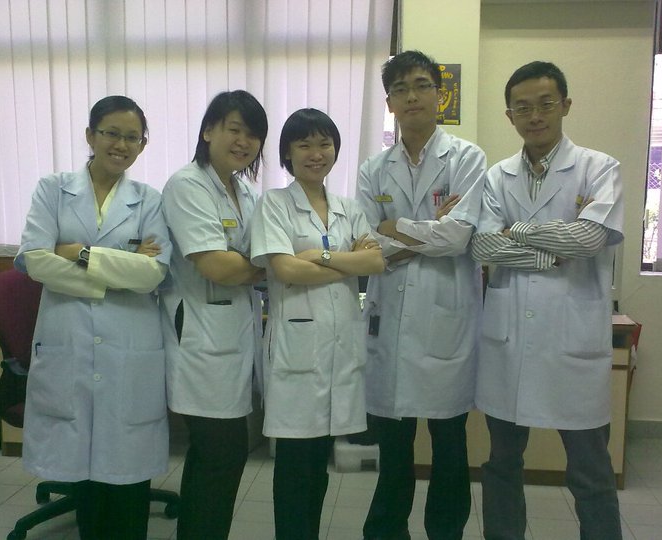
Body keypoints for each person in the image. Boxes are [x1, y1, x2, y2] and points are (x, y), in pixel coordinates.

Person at [472, 61, 624, 540]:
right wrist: (550, 253)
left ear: (565, 106)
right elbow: (482, 246)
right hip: (509, 344)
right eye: (522, 108)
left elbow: (590, 239)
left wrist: (517, 229)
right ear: (509, 115)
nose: (534, 116)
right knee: (501, 465)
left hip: (571, 344)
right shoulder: (497, 176)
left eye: (545, 104)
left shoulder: (599, 168)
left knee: (590, 472)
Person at [15, 95, 172, 540]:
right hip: (70, 339)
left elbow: (153, 273)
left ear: (142, 145)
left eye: (132, 137)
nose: (121, 145)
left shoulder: (149, 200)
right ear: (90, 135)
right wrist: (115, 271)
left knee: (128, 479)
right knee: (84, 479)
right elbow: (34, 260)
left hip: (129, 347)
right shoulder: (53, 189)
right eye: (111, 134)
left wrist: (78, 252)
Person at [355, 50, 486, 540]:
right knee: (394, 448)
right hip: (390, 317)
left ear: (439, 95)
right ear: (389, 102)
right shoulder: (373, 168)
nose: (412, 96)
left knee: (450, 444)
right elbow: (367, 243)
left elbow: (460, 237)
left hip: (445, 319)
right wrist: (427, 230)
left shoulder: (467, 159)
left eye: (422, 85)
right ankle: (387, 531)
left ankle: (445, 532)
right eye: (401, 89)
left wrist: (397, 228)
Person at [250, 108, 385, 539]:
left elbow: (375, 262)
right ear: (287, 153)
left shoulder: (348, 208)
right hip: (296, 350)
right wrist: (345, 264)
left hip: (339, 349)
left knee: (320, 466)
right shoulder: (274, 204)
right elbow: (285, 269)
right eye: (304, 144)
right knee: (295, 467)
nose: (316, 153)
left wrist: (319, 256)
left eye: (324, 143)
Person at [160, 90, 267, 540]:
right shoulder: (187, 185)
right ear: (208, 131)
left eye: (253, 134)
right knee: (221, 453)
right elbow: (217, 267)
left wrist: (257, 263)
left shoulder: (244, 192)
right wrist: (270, 265)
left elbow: (260, 253)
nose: (244, 142)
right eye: (234, 129)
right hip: (200, 339)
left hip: (233, 335)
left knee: (218, 456)